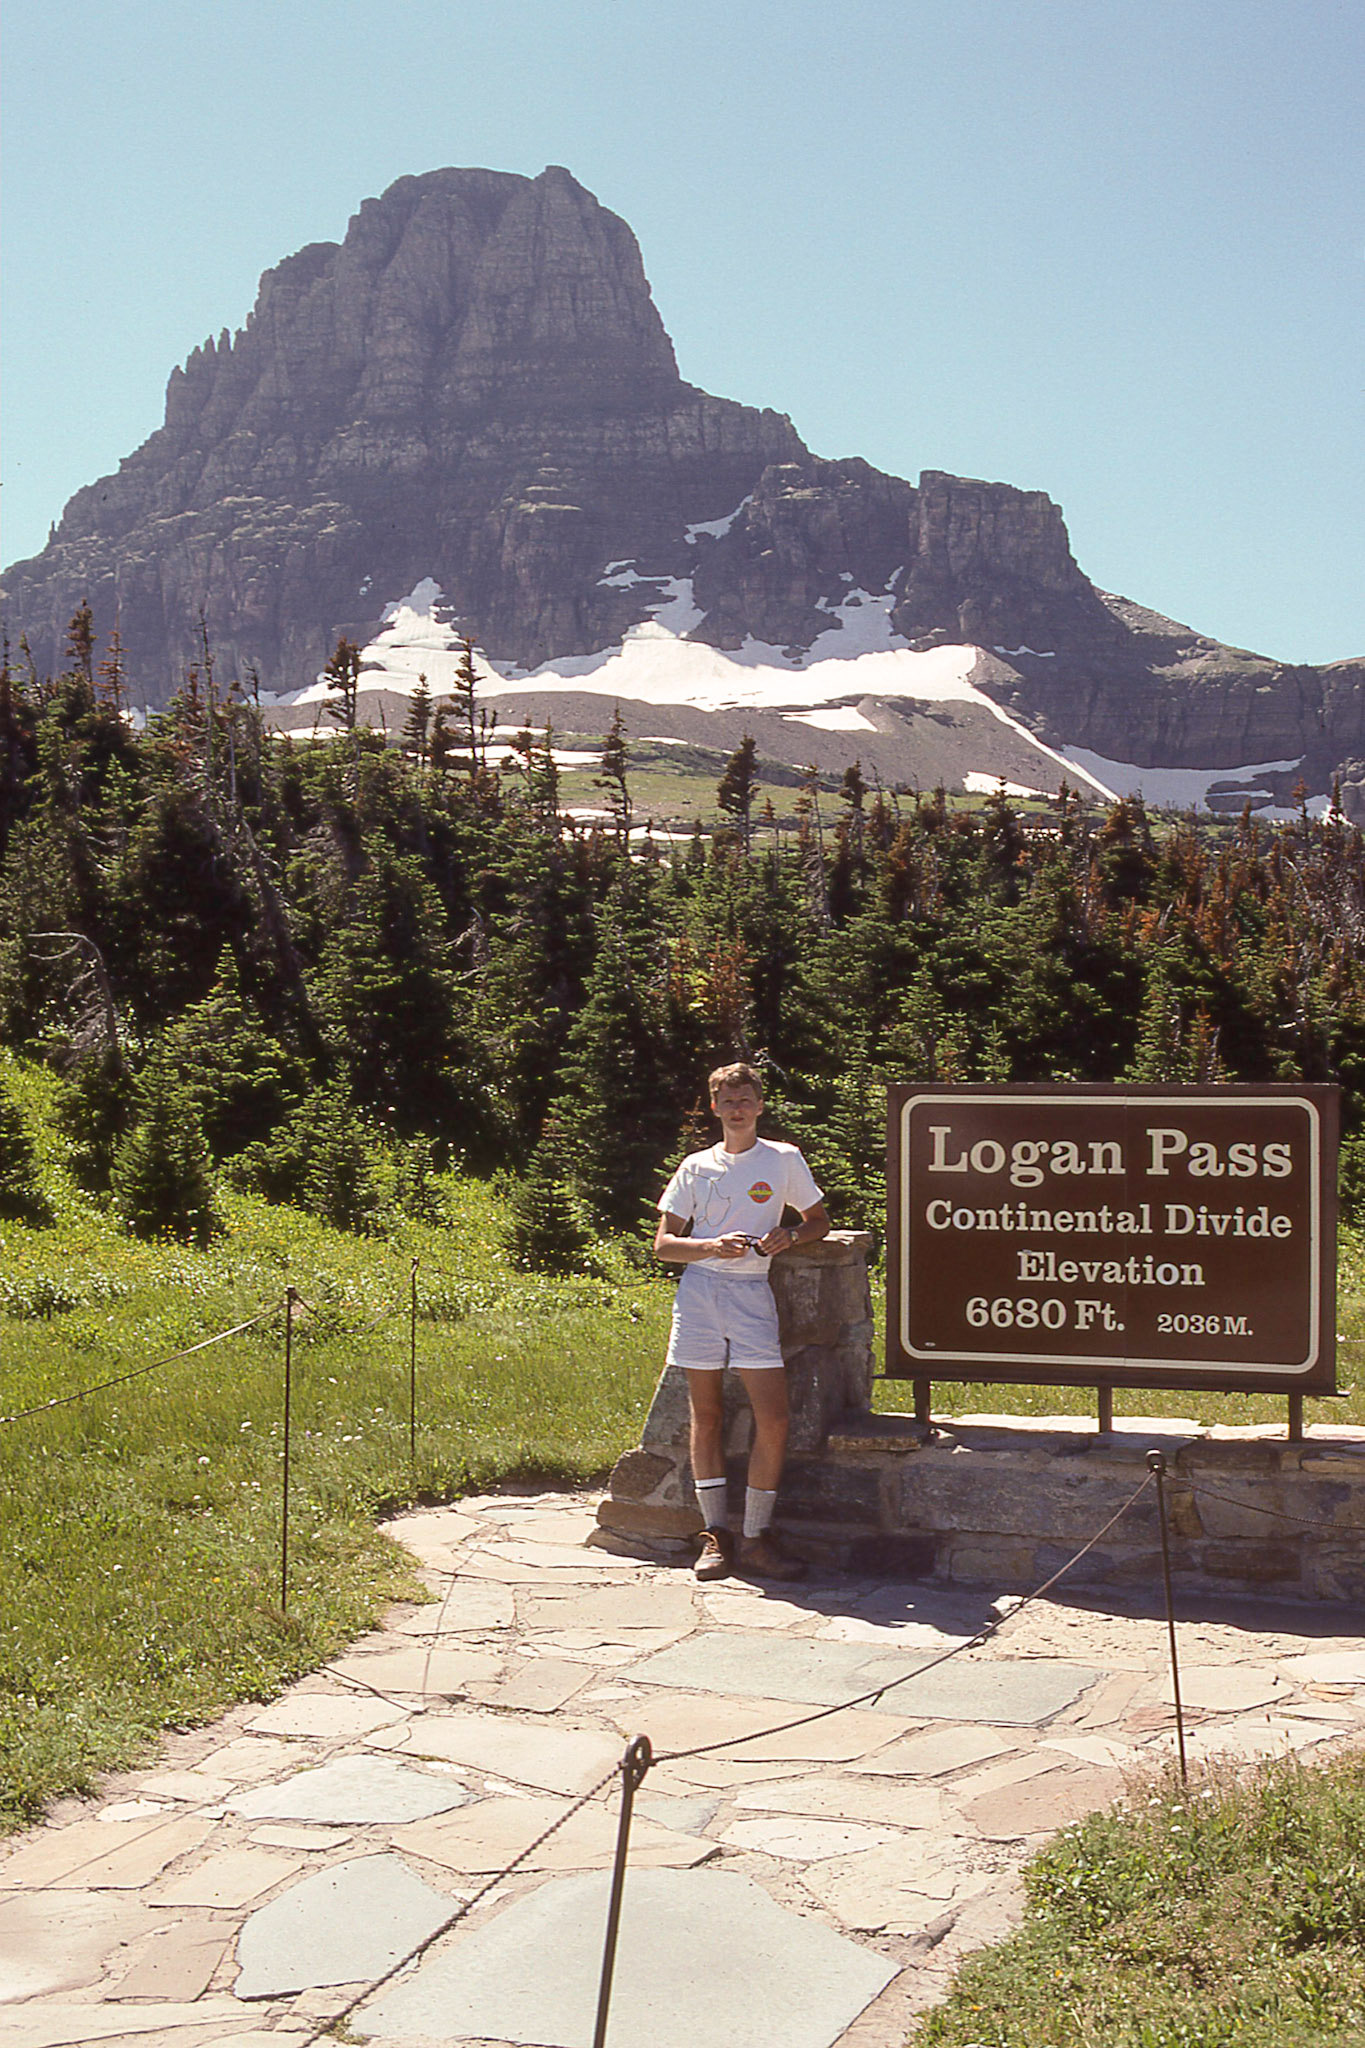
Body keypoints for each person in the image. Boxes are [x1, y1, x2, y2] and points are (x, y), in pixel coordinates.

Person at [654, 1062, 830, 1582]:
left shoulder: (782, 1159)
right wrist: (710, 1246)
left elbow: (817, 1219)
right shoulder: (695, 1166)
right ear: (714, 1107)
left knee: (773, 1417)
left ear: (759, 1104)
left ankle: (756, 1537)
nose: (737, 1108)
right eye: (727, 1100)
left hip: (752, 1293)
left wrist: (790, 1237)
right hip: (701, 1293)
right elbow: (664, 1244)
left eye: (745, 1099)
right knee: (706, 1416)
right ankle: (716, 1535)